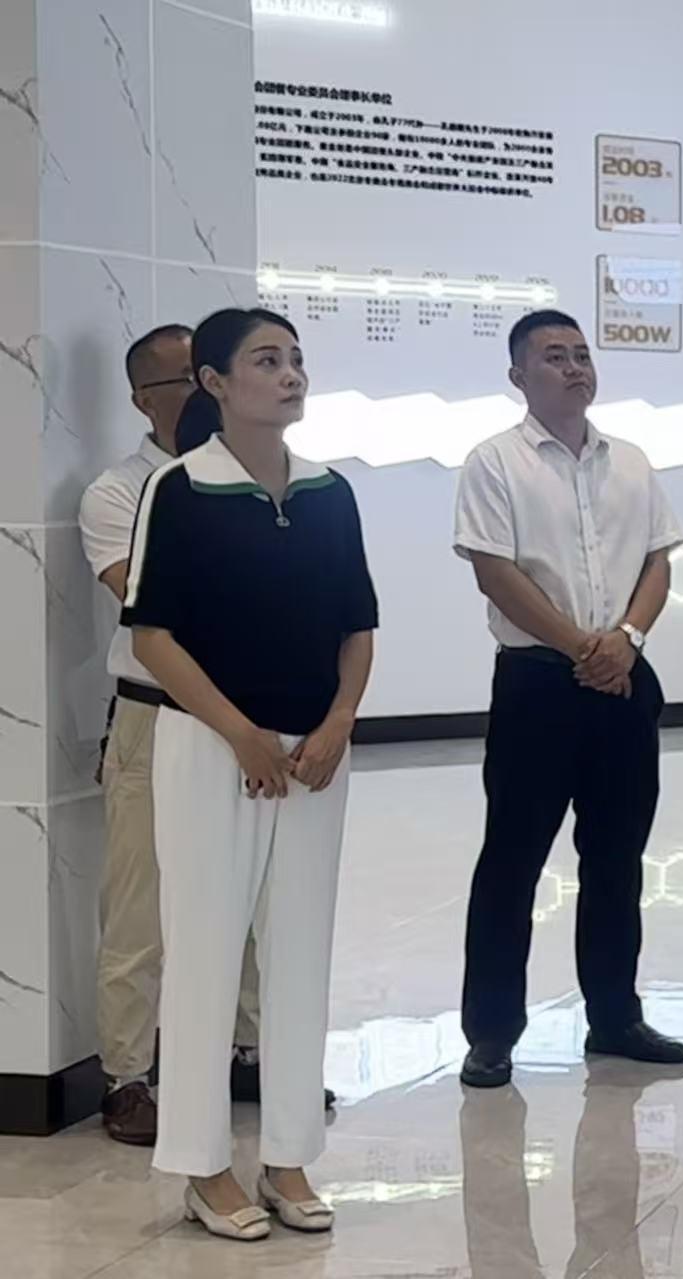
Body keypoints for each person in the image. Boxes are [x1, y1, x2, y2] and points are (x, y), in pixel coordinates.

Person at [123, 307, 378, 1240]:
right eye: (267, 360)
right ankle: (203, 1167)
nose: (290, 374)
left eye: (296, 358)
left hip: (313, 758)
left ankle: (288, 1156)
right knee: (204, 949)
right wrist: (241, 735)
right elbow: (152, 636)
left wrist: (338, 722)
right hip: (211, 750)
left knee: (301, 953)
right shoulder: (181, 488)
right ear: (216, 383)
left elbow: (358, 624)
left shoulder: (330, 492)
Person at [452, 310, 683, 1090]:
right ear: (518, 376)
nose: (574, 367)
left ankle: (615, 1016)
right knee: (512, 861)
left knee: (617, 859)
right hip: (536, 684)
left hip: (625, 678)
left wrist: (626, 638)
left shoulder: (631, 461)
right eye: (554, 356)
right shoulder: (494, 462)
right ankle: (492, 1032)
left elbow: (658, 561)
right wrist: (583, 647)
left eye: (582, 354)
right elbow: (495, 572)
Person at [80, 325, 261, 1146]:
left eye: (208, 373)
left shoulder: (256, 476)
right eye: (183, 380)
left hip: (251, 711)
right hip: (155, 715)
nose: (203, 390)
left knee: (252, 889)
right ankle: (128, 1075)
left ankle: (247, 1051)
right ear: (143, 400)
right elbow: (148, 601)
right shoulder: (119, 493)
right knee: (140, 903)